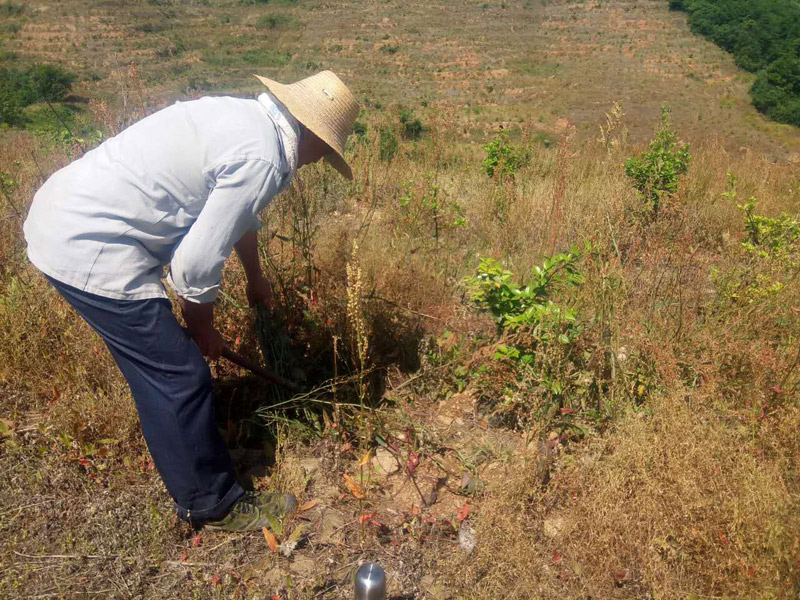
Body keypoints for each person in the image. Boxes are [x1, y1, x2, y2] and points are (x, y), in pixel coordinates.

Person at [23, 71, 359, 531]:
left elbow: (236, 216)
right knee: (178, 374)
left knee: (163, 367)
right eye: (325, 150)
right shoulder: (263, 158)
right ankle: (211, 502)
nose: (319, 161)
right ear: (312, 135)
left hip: (66, 210)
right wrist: (202, 328)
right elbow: (194, 268)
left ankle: (187, 441)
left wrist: (255, 279)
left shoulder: (246, 119)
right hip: (89, 244)